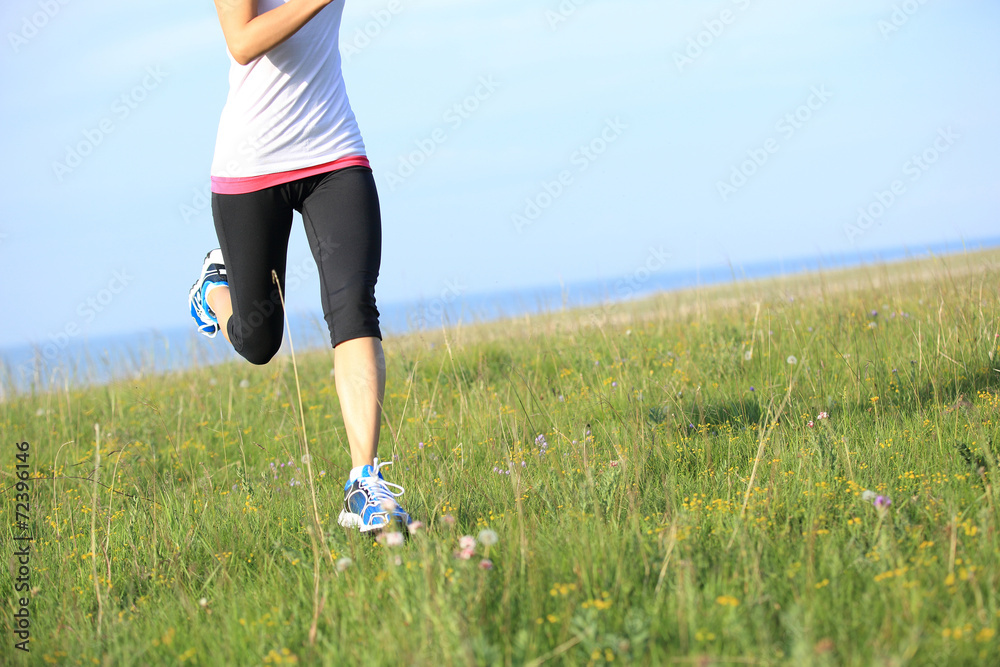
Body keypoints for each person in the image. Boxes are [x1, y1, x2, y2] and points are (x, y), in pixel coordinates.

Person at [188, 0, 411, 533]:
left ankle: (365, 483)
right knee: (259, 342)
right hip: (250, 168)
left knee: (354, 305)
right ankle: (215, 289)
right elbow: (242, 42)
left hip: (334, 151)